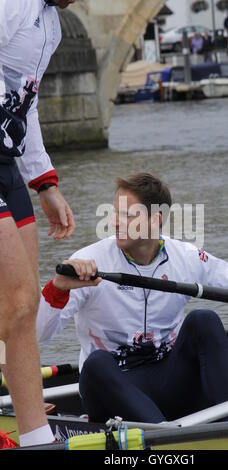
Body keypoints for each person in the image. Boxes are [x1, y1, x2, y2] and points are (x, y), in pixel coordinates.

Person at [37, 173, 228, 424]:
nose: (115, 222)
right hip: (111, 390)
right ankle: (166, 438)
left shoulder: (185, 257)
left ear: (156, 220)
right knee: (96, 364)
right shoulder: (89, 262)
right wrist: (58, 288)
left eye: (128, 215)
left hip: (168, 381)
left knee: (204, 320)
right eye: (114, 212)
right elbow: (37, 335)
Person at [0, 0, 76, 448]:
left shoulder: (53, 24)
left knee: (21, 312)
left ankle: (35, 437)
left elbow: (26, 103)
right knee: (18, 297)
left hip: (8, 161)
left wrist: (44, 182)